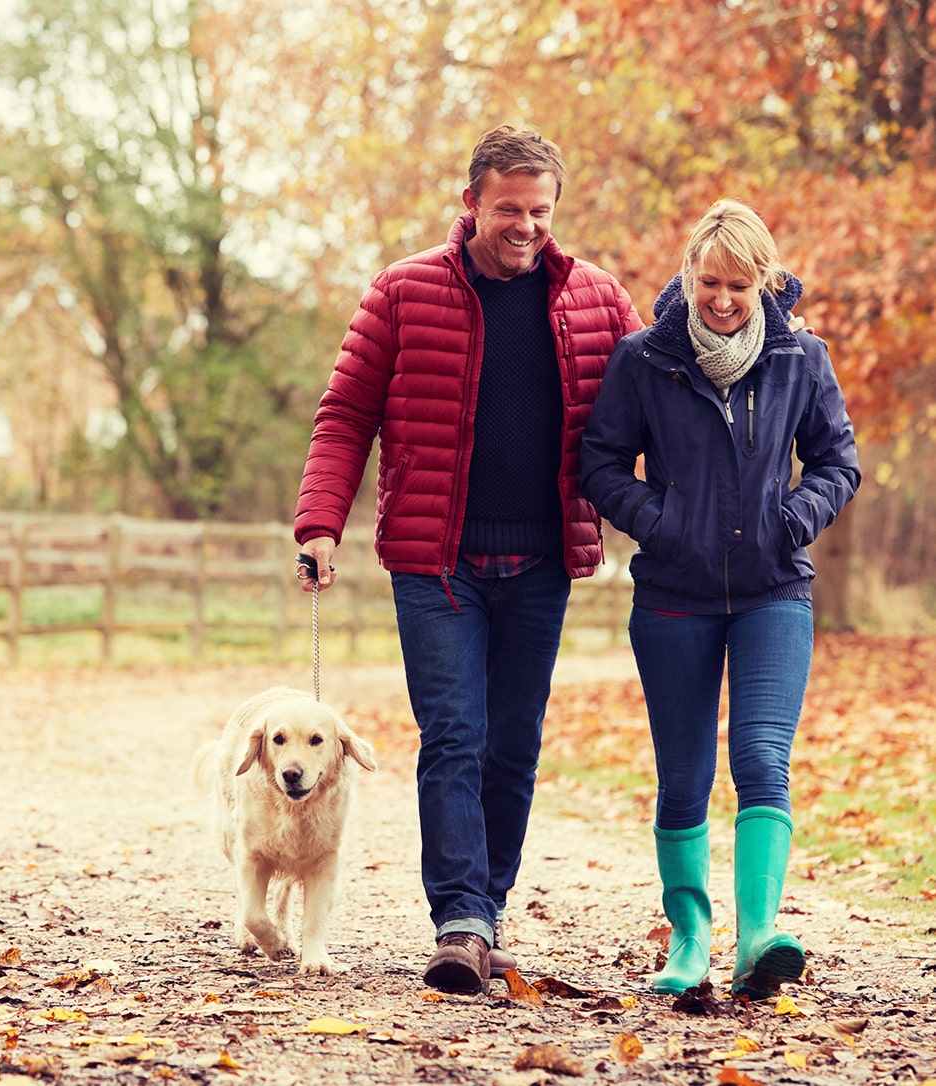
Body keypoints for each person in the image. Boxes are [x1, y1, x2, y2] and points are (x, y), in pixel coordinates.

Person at [293, 124, 643, 994]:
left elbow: (658, 399)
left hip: (541, 565)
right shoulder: (404, 292)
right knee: (454, 734)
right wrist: (319, 523)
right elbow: (345, 416)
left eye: (541, 212)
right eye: (508, 210)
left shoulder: (597, 301)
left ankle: (484, 910)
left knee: (513, 744)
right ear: (471, 203)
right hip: (435, 562)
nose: (525, 226)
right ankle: (459, 918)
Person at [579, 199, 861, 999]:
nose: (724, 299)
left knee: (763, 759)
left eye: (740, 284)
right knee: (684, 774)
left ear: (765, 282)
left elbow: (839, 462)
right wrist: (659, 524)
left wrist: (793, 518)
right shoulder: (645, 360)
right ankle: (691, 940)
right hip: (674, 595)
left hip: (774, 590)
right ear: (689, 277)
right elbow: (599, 465)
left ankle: (759, 933)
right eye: (709, 282)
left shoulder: (801, 358)